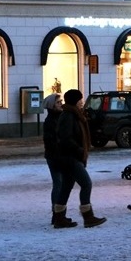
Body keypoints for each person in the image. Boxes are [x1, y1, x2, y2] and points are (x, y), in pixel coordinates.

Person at [55, 89, 106, 228]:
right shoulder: (68, 116)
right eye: (80, 100)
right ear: (74, 101)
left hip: (69, 156)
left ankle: (59, 217)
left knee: (66, 186)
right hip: (70, 157)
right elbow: (65, 138)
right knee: (86, 183)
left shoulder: (74, 115)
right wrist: (79, 150)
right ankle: (88, 217)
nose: (82, 102)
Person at [42, 93, 74, 227]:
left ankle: (58, 214)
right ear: (51, 106)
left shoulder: (58, 118)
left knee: (60, 184)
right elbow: (51, 141)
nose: (61, 104)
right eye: (58, 103)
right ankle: (57, 214)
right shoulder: (51, 121)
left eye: (61, 101)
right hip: (56, 157)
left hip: (56, 156)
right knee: (59, 184)